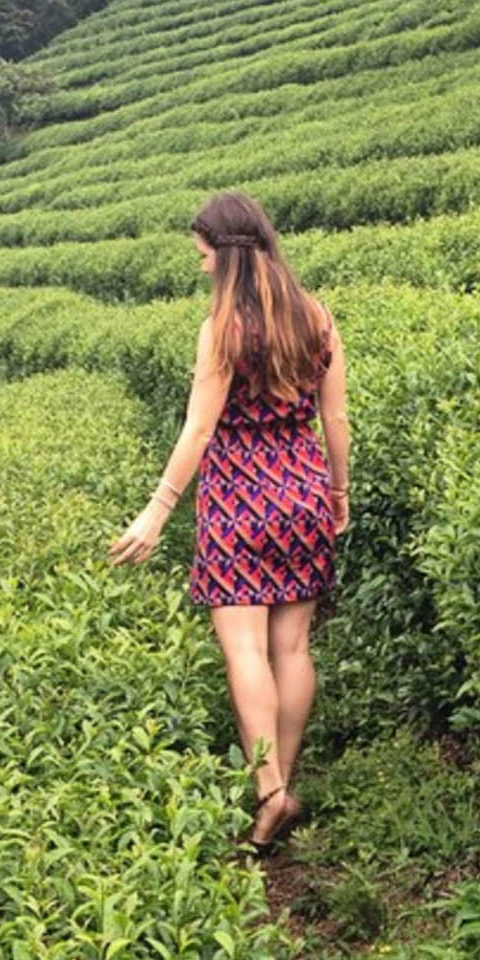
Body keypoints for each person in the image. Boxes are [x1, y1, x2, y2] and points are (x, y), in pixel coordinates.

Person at [108, 192, 350, 853]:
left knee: (245, 649)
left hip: (237, 499)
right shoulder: (317, 318)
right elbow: (336, 419)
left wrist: (157, 510)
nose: (200, 266)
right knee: (293, 648)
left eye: (203, 255)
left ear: (227, 255)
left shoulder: (221, 328)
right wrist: (338, 492)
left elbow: (200, 426)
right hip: (302, 490)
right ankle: (284, 779)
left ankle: (271, 792)